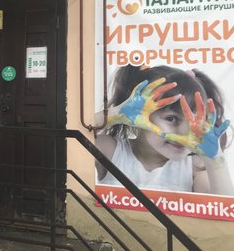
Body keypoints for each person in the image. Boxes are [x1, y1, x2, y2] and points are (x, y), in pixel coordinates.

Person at [96, 64, 233, 195]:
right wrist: (117, 114)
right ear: (139, 115)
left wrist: (214, 157)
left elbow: (223, 207)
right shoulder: (111, 151)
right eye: (171, 118)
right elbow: (81, 133)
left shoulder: (194, 166)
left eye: (195, 121)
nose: (185, 132)